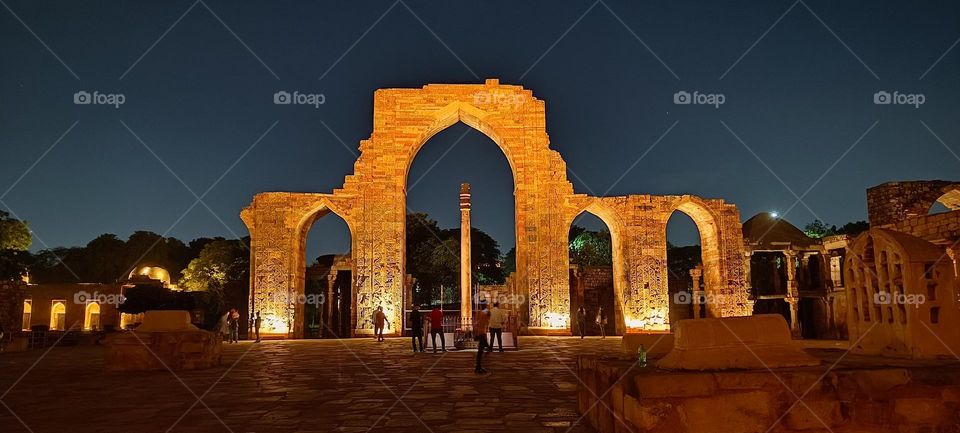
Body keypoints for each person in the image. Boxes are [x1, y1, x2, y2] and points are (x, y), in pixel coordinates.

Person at [474, 301, 491, 374]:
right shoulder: (484, 314)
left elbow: (477, 323)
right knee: (481, 351)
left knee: (480, 351)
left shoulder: (479, 313)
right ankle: (478, 367)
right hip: (481, 333)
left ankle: (479, 366)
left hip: (480, 333)